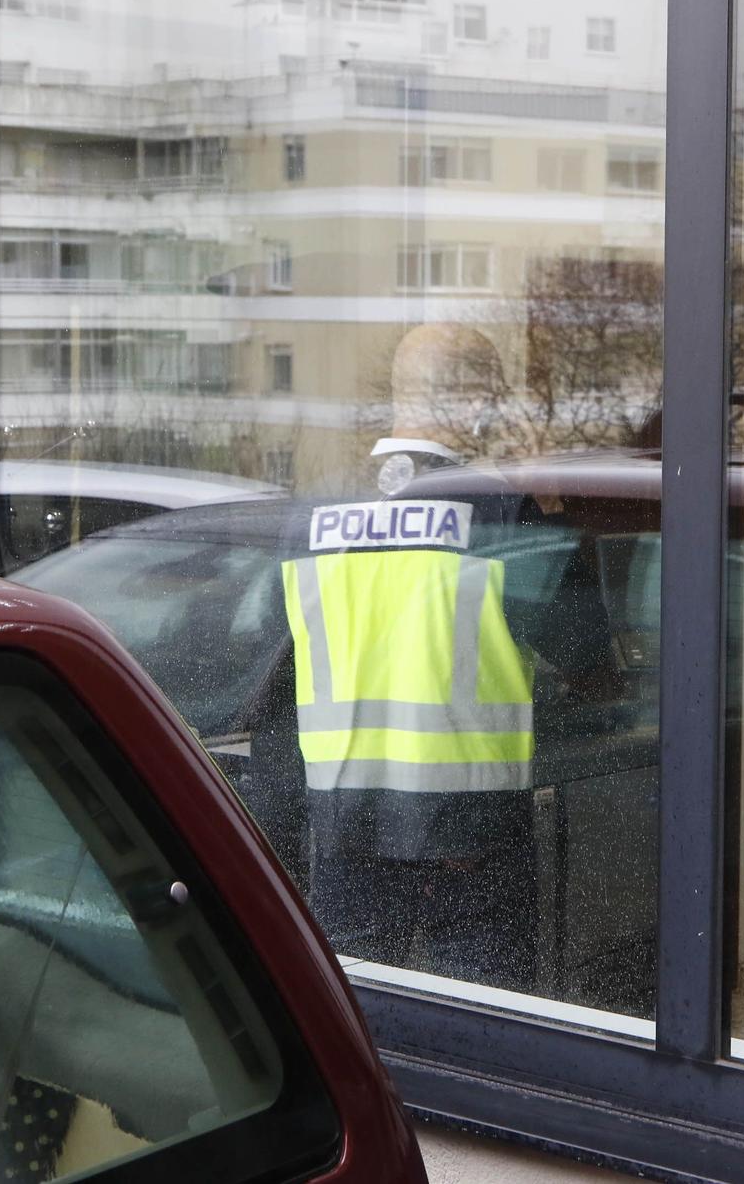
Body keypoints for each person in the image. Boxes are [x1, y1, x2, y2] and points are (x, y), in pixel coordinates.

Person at [280, 325, 541, 991]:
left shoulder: (312, 513)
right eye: (491, 393)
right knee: (485, 1024)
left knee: (362, 1017)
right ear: (470, 400)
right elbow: (583, 649)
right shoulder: (501, 507)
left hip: (345, 818)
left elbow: (278, 656)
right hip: (471, 826)